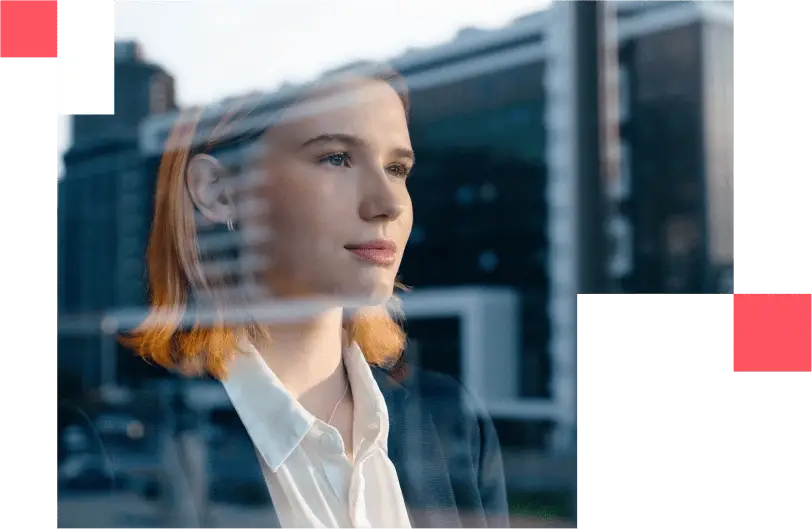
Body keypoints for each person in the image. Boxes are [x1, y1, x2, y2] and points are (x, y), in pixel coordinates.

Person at [122, 61, 509, 529]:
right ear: (220, 193)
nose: (387, 203)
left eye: (397, 168)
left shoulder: (455, 427)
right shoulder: (136, 442)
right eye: (337, 158)